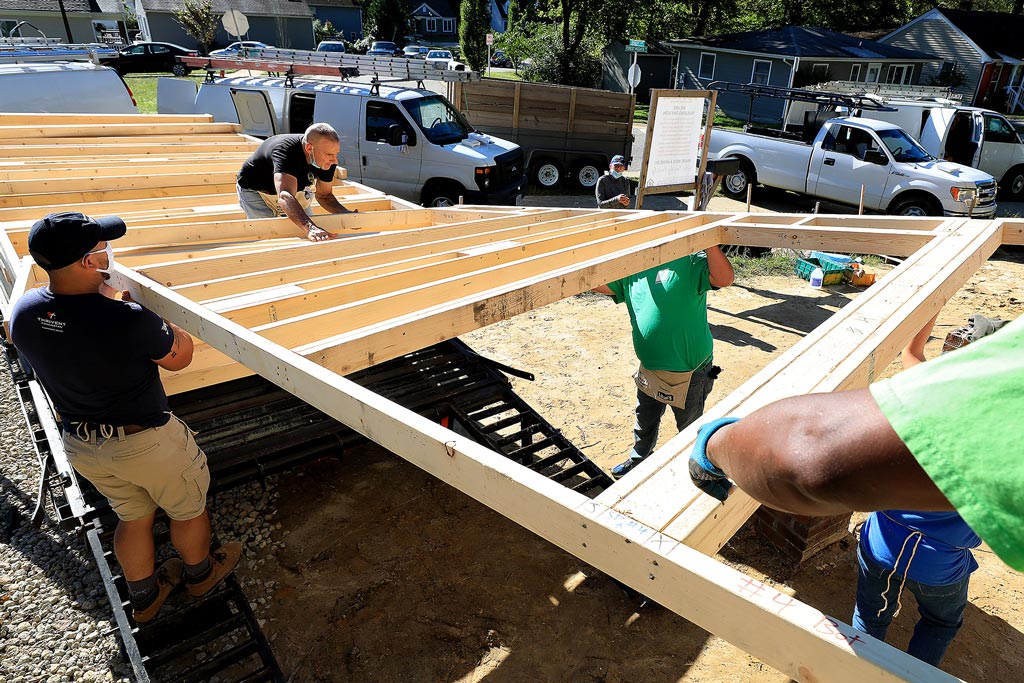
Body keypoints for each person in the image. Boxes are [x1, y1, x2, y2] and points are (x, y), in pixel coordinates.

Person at [9, 212, 242, 624]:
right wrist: (151, 316)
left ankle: (145, 597)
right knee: (187, 508)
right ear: (87, 262)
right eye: (101, 248)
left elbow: (59, 331)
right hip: (146, 442)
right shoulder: (125, 320)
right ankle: (202, 575)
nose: (107, 253)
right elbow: (180, 356)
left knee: (132, 515)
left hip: (82, 444)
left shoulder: (25, 312)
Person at [687, 315, 1024, 572]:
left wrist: (713, 443)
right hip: (948, 566)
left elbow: (812, 451)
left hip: (903, 555)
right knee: (941, 625)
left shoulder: (990, 412)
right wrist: (930, 306)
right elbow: (913, 357)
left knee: (876, 617)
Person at [850, 316, 981, 667]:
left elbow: (911, 351)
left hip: (883, 545)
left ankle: (857, 672)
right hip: (941, 565)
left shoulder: (919, 397)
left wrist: (933, 305)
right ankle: (913, 676)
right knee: (940, 621)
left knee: (871, 617)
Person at [595, 244, 734, 479]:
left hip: (689, 371)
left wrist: (708, 240)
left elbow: (724, 278)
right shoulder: (633, 266)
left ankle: (694, 469)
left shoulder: (687, 261)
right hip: (649, 366)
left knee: (689, 427)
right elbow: (597, 283)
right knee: (645, 420)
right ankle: (639, 459)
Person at [236, 122, 354, 242]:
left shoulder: (326, 160)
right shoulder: (286, 152)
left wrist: (347, 214)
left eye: (336, 154)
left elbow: (324, 196)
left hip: (293, 191)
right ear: (309, 148)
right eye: (329, 154)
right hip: (256, 191)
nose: (334, 160)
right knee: (268, 236)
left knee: (309, 235)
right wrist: (310, 227)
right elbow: (285, 196)